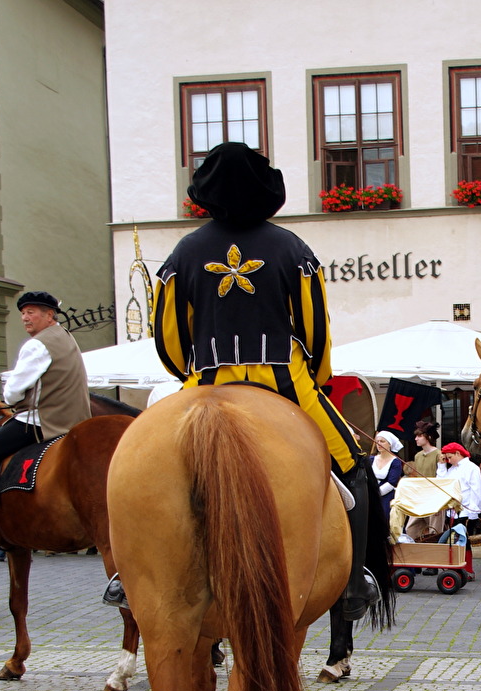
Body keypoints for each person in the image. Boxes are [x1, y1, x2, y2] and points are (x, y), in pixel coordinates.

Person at [151, 141, 377, 620]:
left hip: (206, 385)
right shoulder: (293, 249)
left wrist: (191, 373)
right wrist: (313, 379)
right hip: (285, 383)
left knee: (149, 470)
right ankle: (355, 581)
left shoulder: (182, 254)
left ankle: (128, 576)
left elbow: (168, 340)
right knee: (354, 463)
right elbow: (316, 331)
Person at [0, 290, 90, 544]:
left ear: (49, 315)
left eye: (31, 312)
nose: (25, 318)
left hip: (41, 421)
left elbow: (12, 394)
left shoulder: (37, 345)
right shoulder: (66, 337)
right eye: (23, 313)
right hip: (74, 419)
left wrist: (11, 394)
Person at [371, 430, 404, 523]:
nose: (379, 444)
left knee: (385, 517)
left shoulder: (395, 462)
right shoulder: (371, 459)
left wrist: (377, 493)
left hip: (386, 496)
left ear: (390, 444)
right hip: (371, 493)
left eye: (382, 441)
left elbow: (392, 482)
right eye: (377, 441)